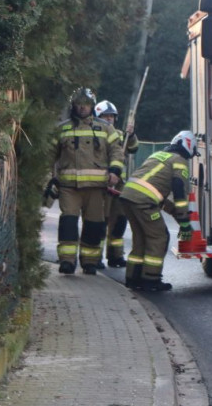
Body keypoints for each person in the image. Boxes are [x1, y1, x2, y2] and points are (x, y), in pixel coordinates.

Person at [52, 87, 125, 275]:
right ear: (73, 105)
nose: (82, 108)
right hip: (69, 187)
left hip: (96, 188)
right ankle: (67, 260)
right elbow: (49, 156)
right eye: (79, 104)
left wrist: (115, 170)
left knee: (94, 224)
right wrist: (50, 180)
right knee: (68, 222)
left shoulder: (105, 128)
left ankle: (90, 261)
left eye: (86, 104)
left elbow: (116, 151)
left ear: (92, 106)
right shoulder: (62, 129)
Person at [117, 131, 197, 292]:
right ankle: (151, 279)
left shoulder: (158, 155)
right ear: (189, 146)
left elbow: (158, 196)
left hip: (128, 197)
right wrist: (184, 221)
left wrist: (177, 216)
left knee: (140, 238)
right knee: (159, 237)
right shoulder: (179, 161)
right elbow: (179, 193)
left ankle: (133, 278)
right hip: (143, 201)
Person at [94, 100, 138, 268]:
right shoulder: (93, 134)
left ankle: (115, 256)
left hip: (119, 186)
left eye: (112, 116)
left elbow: (134, 148)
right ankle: (95, 258)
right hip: (102, 184)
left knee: (119, 221)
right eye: (106, 116)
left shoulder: (121, 135)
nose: (109, 119)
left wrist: (131, 135)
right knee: (99, 222)